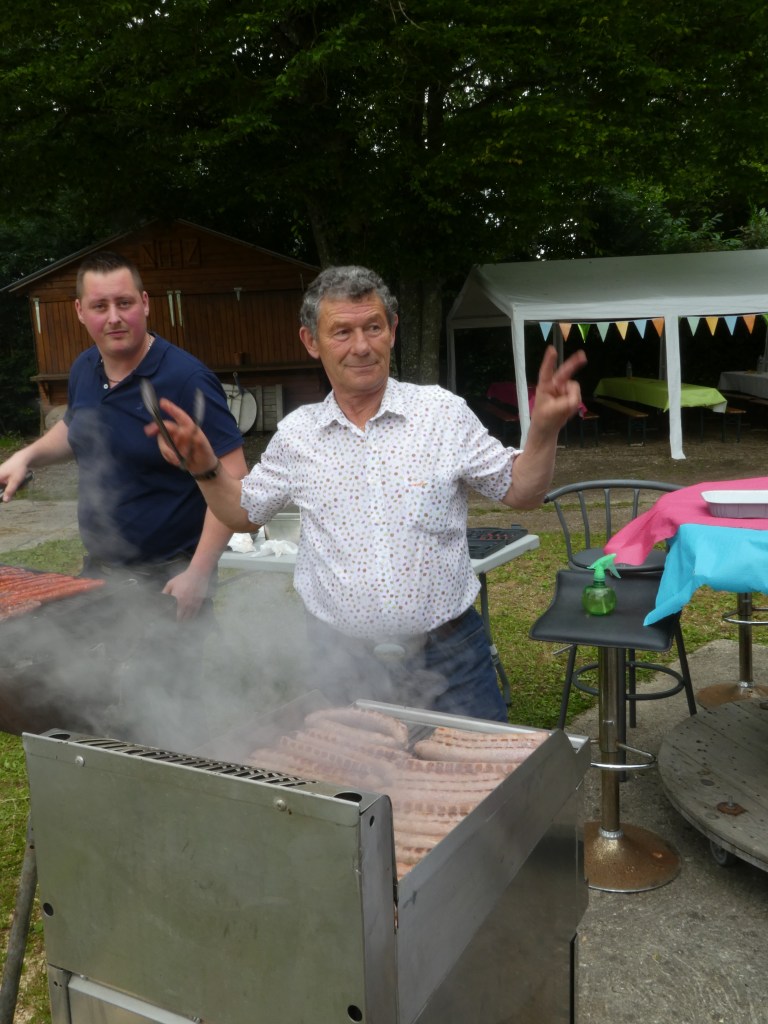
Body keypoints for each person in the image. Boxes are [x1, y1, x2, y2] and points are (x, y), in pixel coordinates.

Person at [146, 265, 587, 722]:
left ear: (392, 330)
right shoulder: (298, 435)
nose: (361, 346)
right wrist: (205, 469)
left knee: (478, 764)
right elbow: (242, 513)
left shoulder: (442, 414)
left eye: (373, 327)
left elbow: (520, 491)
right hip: (341, 661)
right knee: (358, 770)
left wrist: (543, 431)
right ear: (311, 341)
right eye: (342, 332)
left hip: (450, 654)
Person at [0, 250, 247, 741]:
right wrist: (26, 456)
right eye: (100, 306)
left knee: (165, 718)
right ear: (80, 311)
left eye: (124, 303)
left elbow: (235, 484)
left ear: (145, 303)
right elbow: (75, 429)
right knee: (94, 705)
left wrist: (198, 573)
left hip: (169, 579)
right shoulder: (85, 368)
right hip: (99, 576)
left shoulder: (186, 379)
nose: (114, 317)